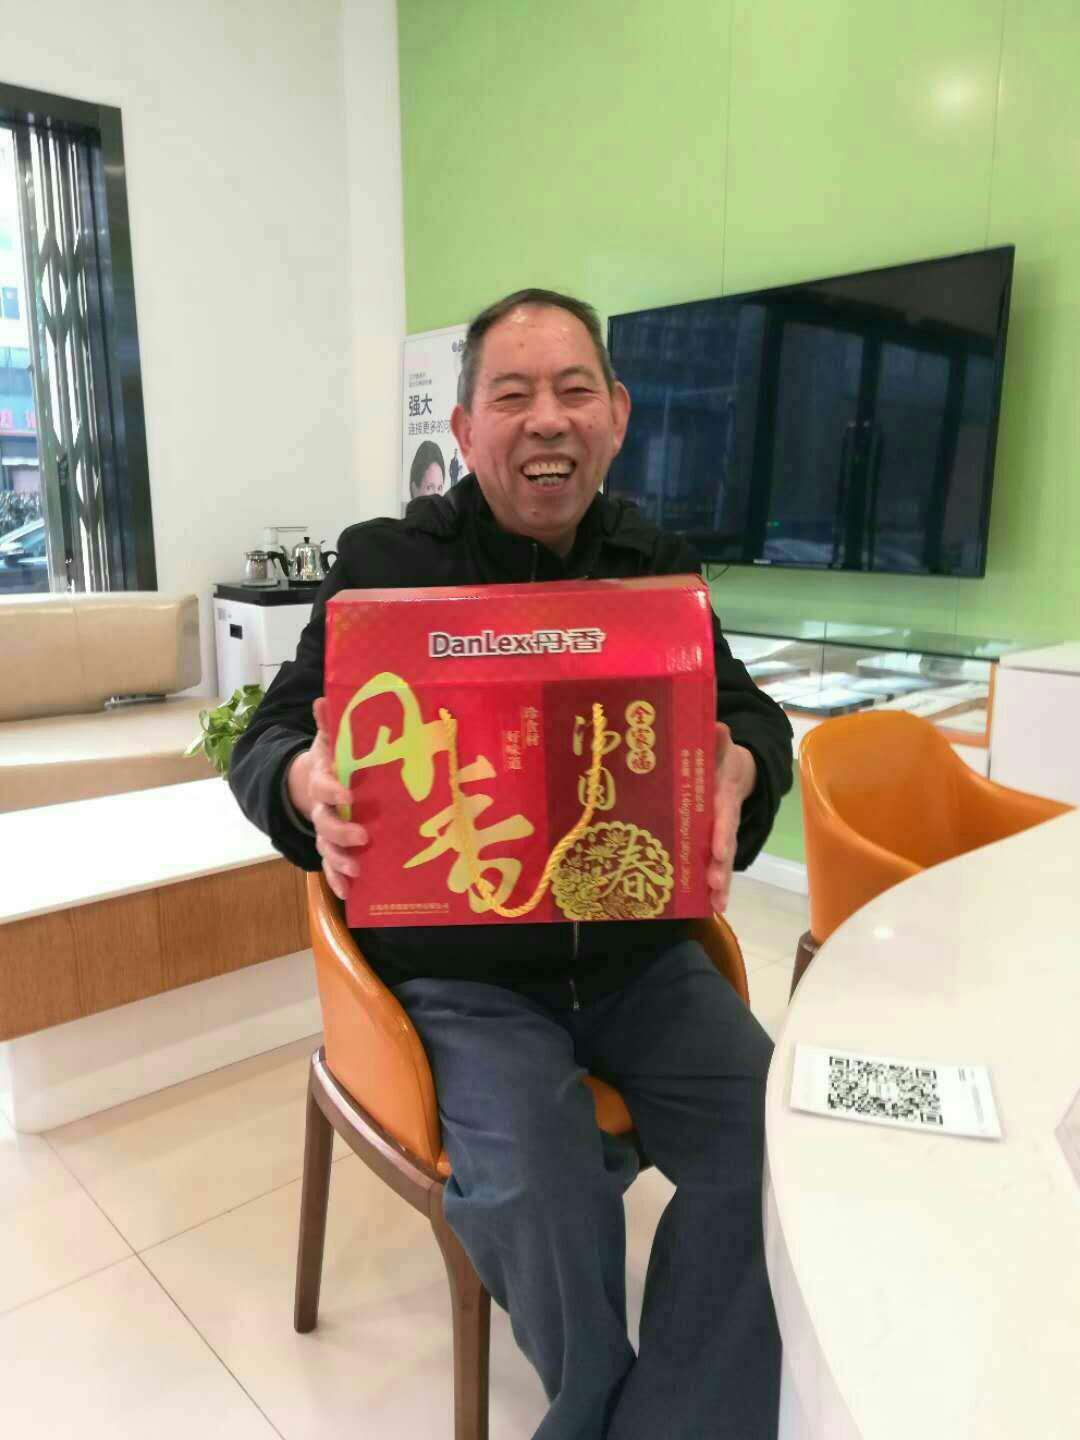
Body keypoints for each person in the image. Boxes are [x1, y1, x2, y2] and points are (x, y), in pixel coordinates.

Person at [230, 288, 793, 1440]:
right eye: (514, 394)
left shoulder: (656, 567)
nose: (548, 418)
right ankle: (595, 1411)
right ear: (466, 427)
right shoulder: (386, 565)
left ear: (617, 415)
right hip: (463, 978)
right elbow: (269, 736)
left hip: (641, 961)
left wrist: (742, 768)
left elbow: (750, 720)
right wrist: (302, 781)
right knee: (541, 1194)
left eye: (575, 390)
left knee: (783, 1152)